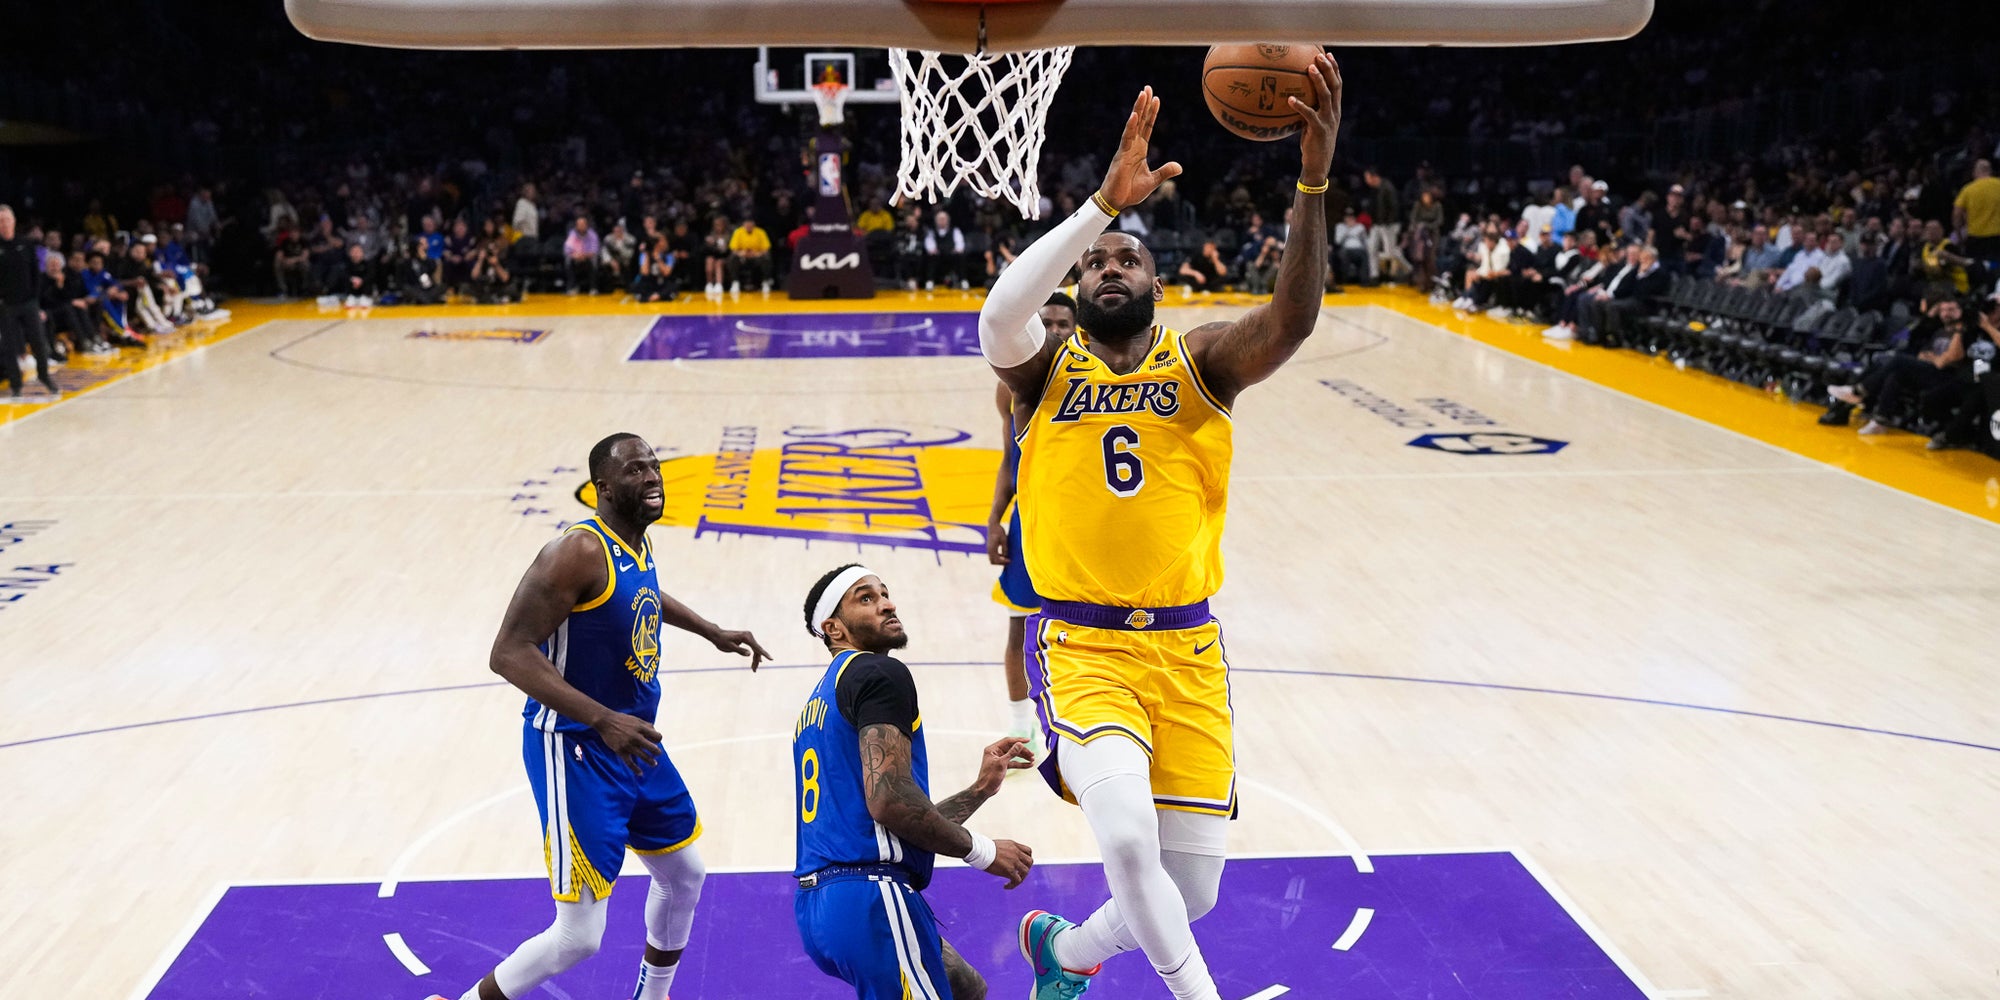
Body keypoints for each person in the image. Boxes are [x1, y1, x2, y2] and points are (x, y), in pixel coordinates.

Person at [976, 61, 1340, 1000]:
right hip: (1086, 647)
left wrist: (1311, 179)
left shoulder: (1204, 360)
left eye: (1124, 257)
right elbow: (997, 315)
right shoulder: (1046, 370)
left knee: (1192, 891)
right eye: (1095, 261)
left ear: (1155, 282)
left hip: (1189, 652)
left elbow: (1294, 318)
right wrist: (1100, 206)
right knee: (1129, 841)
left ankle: (1063, 952)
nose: (1106, 268)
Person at [430, 433, 770, 1000]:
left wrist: (710, 630)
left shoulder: (633, 542)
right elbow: (508, 652)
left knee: (686, 875)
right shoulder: (577, 552)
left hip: (632, 743)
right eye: (637, 471)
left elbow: (643, 593)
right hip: (577, 746)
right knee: (578, 937)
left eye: (655, 466)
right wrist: (604, 719)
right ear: (603, 490)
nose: (653, 477)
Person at [793, 564, 1036, 1000]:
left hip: (822, 907)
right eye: (866, 598)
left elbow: (885, 825)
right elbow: (888, 803)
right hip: (870, 899)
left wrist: (979, 790)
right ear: (834, 628)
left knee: (966, 988)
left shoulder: (819, 702)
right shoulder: (878, 674)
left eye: (884, 593)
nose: (887, 603)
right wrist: (982, 851)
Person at [988, 292, 1075, 755]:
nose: (1056, 330)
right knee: (1019, 627)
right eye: (1048, 323)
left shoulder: (1095, 379)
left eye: (1064, 323)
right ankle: (1021, 728)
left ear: (1077, 328)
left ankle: (1076, 720)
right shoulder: (1012, 386)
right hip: (1029, 521)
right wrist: (994, 520)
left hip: (1080, 521)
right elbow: (1009, 459)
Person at [0, 205, 61, 400]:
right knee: (10, 347)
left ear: (14, 221)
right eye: (0, 221)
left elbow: (36, 274)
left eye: (6, 220)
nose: (4, 224)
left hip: (28, 303)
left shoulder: (26, 244)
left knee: (38, 343)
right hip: (6, 305)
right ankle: (16, 385)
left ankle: (45, 377)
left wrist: (35, 299)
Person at [728, 217, 773, 293]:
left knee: (766, 258)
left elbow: (766, 248)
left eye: (750, 224)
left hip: (757, 256)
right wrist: (741, 253)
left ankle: (765, 282)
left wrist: (758, 253)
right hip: (743, 257)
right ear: (743, 224)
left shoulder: (761, 232)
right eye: (746, 224)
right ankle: (735, 282)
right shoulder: (738, 232)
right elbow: (733, 248)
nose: (748, 226)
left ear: (753, 224)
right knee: (732, 258)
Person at [564, 216, 602, 295]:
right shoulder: (572, 234)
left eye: (583, 224)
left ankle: (593, 288)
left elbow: (594, 250)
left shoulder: (592, 235)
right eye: (579, 224)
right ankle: (572, 287)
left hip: (588, 257)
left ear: (586, 225)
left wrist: (584, 255)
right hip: (576, 258)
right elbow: (567, 249)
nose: (581, 226)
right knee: (568, 261)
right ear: (576, 226)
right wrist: (575, 255)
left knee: (594, 261)